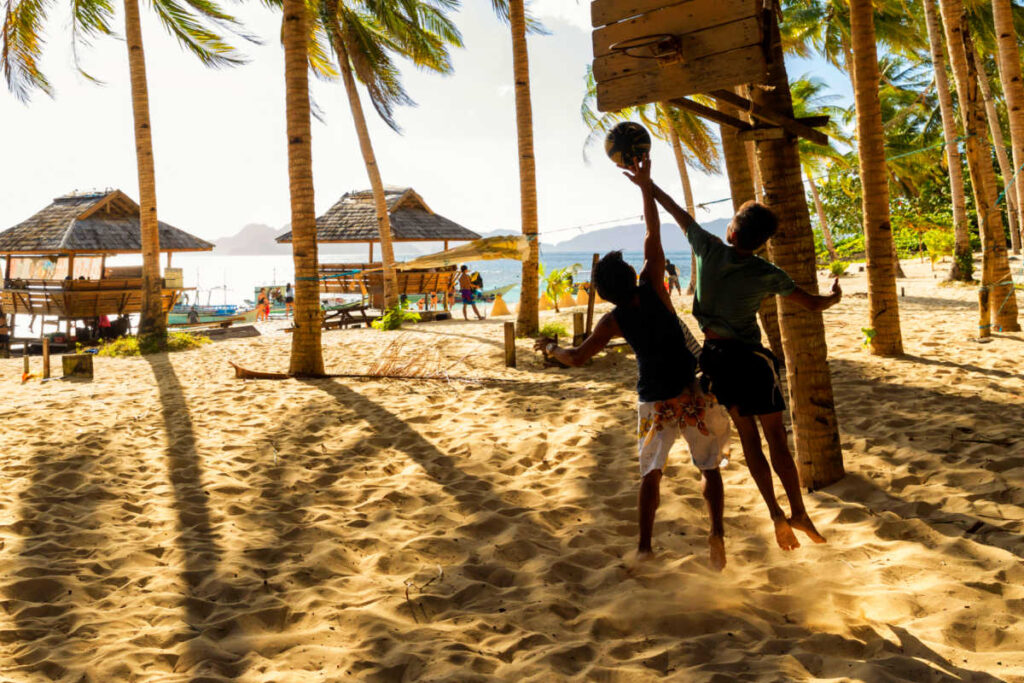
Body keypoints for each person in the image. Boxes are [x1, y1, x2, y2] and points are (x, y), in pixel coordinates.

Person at [633, 156, 841, 551]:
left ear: (730, 232)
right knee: (777, 439)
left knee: (750, 439)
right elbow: (812, 305)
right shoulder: (767, 272)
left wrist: (646, 182)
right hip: (752, 361)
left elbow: (674, 210)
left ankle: (775, 513)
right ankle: (797, 509)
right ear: (762, 242)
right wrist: (832, 297)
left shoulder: (708, 249)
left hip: (717, 360)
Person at [537, 158, 730, 570]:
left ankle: (644, 546)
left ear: (605, 293)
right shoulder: (654, 285)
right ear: (633, 273)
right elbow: (652, 230)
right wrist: (644, 185)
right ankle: (716, 533)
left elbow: (577, 359)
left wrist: (550, 350)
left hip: (656, 399)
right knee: (709, 468)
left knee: (651, 475)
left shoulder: (613, 320)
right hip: (692, 389)